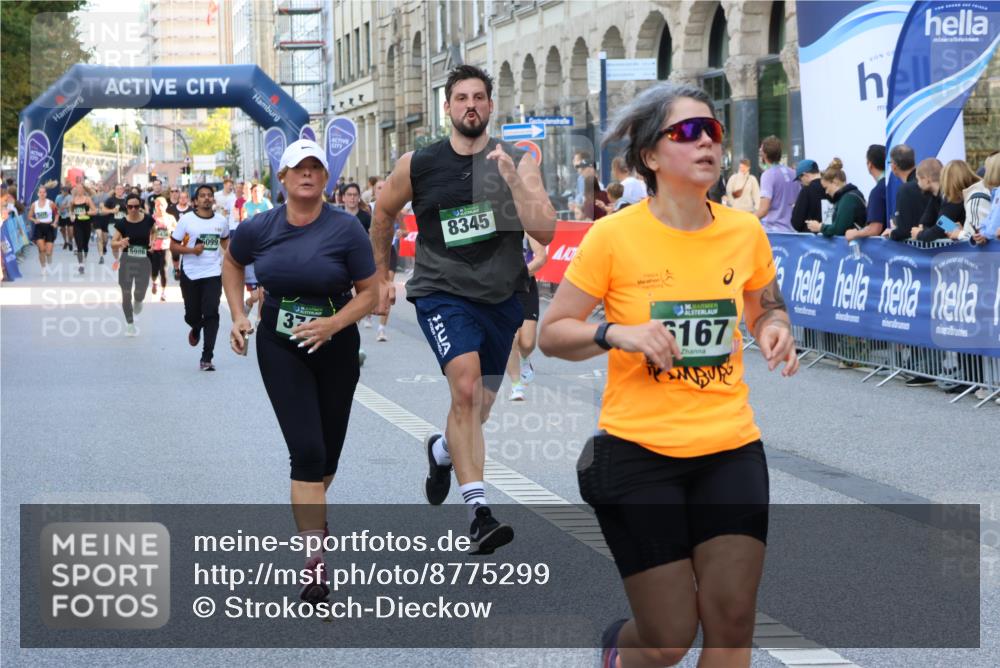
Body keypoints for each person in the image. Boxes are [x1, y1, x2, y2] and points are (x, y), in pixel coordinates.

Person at [536, 82, 798, 668]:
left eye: (713, 130)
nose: (706, 141)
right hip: (638, 452)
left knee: (732, 620)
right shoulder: (614, 235)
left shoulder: (743, 231)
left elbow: (766, 307)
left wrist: (774, 327)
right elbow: (553, 334)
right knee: (670, 638)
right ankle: (619, 654)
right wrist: (615, 333)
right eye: (687, 132)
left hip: (729, 447)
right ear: (651, 155)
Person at [370, 64, 556, 554]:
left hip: (501, 298)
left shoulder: (519, 160)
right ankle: (479, 513)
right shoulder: (419, 163)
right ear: (447, 107)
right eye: (461, 98)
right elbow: (383, 213)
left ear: (490, 106)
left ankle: (442, 450)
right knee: (467, 388)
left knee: (480, 406)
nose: (470, 105)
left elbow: (545, 230)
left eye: (478, 97)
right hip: (442, 292)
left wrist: (513, 179)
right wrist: (382, 276)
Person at [224, 140, 377, 603]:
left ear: (326, 178)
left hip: (336, 345)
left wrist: (333, 324)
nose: (307, 174)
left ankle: (314, 514)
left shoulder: (346, 229)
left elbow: (370, 293)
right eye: (298, 168)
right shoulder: (260, 227)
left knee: (326, 459)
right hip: (281, 345)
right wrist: (238, 315)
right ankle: (315, 561)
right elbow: (232, 262)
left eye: (315, 167)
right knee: (307, 453)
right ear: (283, 178)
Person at [170, 184, 230, 371]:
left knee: (212, 313)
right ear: (195, 201)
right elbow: (173, 246)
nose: (206, 198)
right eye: (202, 195)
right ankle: (196, 327)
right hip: (190, 274)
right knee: (192, 316)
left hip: (213, 274)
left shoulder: (221, 221)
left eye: (209, 195)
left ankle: (207, 357)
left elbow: (226, 242)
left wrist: (236, 258)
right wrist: (192, 251)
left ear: (213, 199)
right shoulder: (187, 220)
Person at [505, 235, 548, 401]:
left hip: (525, 286)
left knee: (527, 343)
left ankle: (524, 359)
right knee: (511, 339)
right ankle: (516, 386)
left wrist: (520, 274)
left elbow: (541, 257)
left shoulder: (527, 229)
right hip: (503, 289)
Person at [110, 193, 155, 336]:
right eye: (130, 207)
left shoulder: (148, 219)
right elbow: (112, 243)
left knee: (140, 292)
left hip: (144, 261)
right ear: (126, 207)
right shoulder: (122, 223)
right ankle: (130, 324)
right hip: (127, 261)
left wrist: (153, 242)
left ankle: (139, 300)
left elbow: (154, 231)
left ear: (140, 206)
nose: (133, 209)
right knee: (126, 293)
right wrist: (120, 242)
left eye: (136, 206)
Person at [805, 158, 867, 237]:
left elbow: (838, 229)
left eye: (826, 188)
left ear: (835, 182)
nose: (826, 192)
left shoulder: (848, 199)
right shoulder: (848, 197)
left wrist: (820, 227)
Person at [911, 158, 964, 243]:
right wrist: (927, 231)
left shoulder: (950, 196)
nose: (917, 183)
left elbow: (940, 228)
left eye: (918, 179)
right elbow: (925, 223)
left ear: (927, 180)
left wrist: (919, 234)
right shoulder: (935, 196)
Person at [754, 135, 800, 232]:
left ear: (764, 154)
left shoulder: (768, 175)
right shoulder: (793, 173)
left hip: (773, 232)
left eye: (761, 150)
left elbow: (763, 209)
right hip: (792, 231)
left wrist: (747, 220)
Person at [885, 144, 930, 241]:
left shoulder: (905, 189)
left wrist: (892, 233)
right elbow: (940, 218)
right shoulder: (929, 185)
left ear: (894, 166)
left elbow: (904, 230)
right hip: (945, 246)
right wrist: (955, 229)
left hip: (920, 248)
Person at [846, 145, 888, 243]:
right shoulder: (892, 186)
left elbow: (875, 228)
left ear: (870, 164)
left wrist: (854, 234)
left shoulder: (877, 191)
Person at [150, 196, 176, 301]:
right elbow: (147, 231)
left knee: (163, 269)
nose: (159, 207)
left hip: (166, 246)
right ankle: (155, 282)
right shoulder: (152, 218)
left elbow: (177, 229)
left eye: (161, 205)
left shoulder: (170, 217)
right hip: (154, 247)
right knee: (154, 271)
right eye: (157, 205)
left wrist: (171, 230)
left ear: (165, 206)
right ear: (155, 206)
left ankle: (163, 292)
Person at [28, 185, 59, 273]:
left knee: (48, 252)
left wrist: (55, 222)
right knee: (42, 249)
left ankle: (49, 255)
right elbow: (29, 216)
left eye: (43, 192)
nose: (42, 194)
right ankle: (43, 267)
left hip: (49, 227)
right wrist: (35, 220)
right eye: (40, 192)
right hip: (39, 227)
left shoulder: (50, 203)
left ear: (46, 194)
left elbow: (57, 213)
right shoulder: (34, 204)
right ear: (38, 194)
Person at [789, 159, 825, 233]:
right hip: (830, 236)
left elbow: (796, 223)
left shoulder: (806, 190)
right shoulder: (829, 187)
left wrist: (796, 208)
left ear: (805, 174)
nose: (801, 183)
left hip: (810, 238)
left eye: (800, 179)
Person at [68, 185, 97, 274]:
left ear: (84, 190)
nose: (79, 190)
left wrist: (86, 213)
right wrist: (71, 216)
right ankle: (81, 265)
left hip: (86, 224)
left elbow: (95, 211)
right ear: (76, 190)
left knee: (85, 245)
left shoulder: (87, 199)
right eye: (78, 189)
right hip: (77, 225)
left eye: (81, 189)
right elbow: (71, 211)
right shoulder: (73, 201)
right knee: (79, 245)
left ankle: (85, 257)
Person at [102, 183, 130, 270]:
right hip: (113, 224)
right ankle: (117, 260)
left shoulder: (127, 200)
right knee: (115, 245)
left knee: (123, 242)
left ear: (123, 190)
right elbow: (103, 210)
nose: (119, 190)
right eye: (117, 189)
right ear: (114, 191)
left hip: (125, 224)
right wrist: (112, 211)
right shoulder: (110, 200)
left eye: (121, 189)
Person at [91, 183, 110, 264]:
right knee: (99, 236)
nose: (100, 186)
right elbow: (90, 206)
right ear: (96, 187)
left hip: (105, 218)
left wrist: (104, 207)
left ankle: (104, 246)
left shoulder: (107, 196)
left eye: (101, 185)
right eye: (98, 185)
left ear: (104, 187)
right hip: (96, 217)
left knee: (105, 239)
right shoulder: (93, 196)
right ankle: (101, 256)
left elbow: (111, 206)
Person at [56, 185, 74, 251]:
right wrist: (58, 209)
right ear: (61, 191)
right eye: (63, 191)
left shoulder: (70, 197)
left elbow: (71, 205)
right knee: (62, 229)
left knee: (70, 229)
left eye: (66, 191)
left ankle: (70, 241)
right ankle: (65, 241)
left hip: (69, 214)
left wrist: (65, 207)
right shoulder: (58, 197)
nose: (65, 193)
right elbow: (56, 205)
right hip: (61, 215)